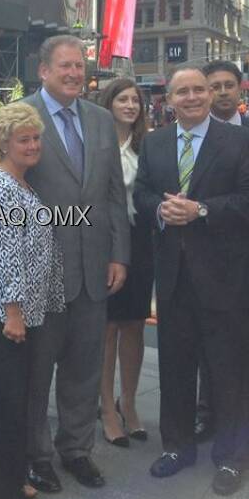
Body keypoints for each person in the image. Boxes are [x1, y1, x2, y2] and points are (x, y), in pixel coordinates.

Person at [0, 35, 129, 495]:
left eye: (80, 66)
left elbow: (114, 193)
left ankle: (76, 450)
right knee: (36, 376)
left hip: (94, 268)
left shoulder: (101, 121)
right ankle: (35, 457)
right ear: (43, 71)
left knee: (84, 369)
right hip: (37, 277)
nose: (75, 74)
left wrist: (120, 252)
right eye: (65, 66)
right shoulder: (20, 117)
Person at [134, 66, 249, 496]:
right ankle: (177, 446)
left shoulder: (241, 141)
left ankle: (231, 457)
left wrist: (201, 210)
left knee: (229, 371)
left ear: (210, 95)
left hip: (225, 279)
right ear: (169, 99)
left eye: (199, 89)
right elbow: (141, 193)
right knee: (175, 367)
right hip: (173, 278)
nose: (191, 97)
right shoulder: (154, 142)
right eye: (182, 91)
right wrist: (160, 209)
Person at [0, 102, 64, 499]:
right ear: (3, 142)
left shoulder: (20, 182)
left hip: (24, 311)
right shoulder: (0, 186)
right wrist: (14, 312)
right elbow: (6, 255)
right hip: (4, 314)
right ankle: (0, 494)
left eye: (36, 138)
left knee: (14, 403)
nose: (32, 145)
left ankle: (7, 476)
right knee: (6, 407)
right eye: (23, 139)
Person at [197, 60, 249, 441]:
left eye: (229, 85)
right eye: (215, 86)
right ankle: (207, 413)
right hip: (207, 255)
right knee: (210, 343)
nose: (222, 92)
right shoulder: (193, 134)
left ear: (241, 90)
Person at [96, 79, 154, 448]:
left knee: (134, 324)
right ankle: (105, 407)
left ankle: (128, 402)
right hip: (103, 242)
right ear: (109, 103)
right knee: (108, 328)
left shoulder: (148, 147)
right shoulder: (96, 145)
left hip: (141, 240)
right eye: (123, 99)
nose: (130, 105)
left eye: (135, 100)